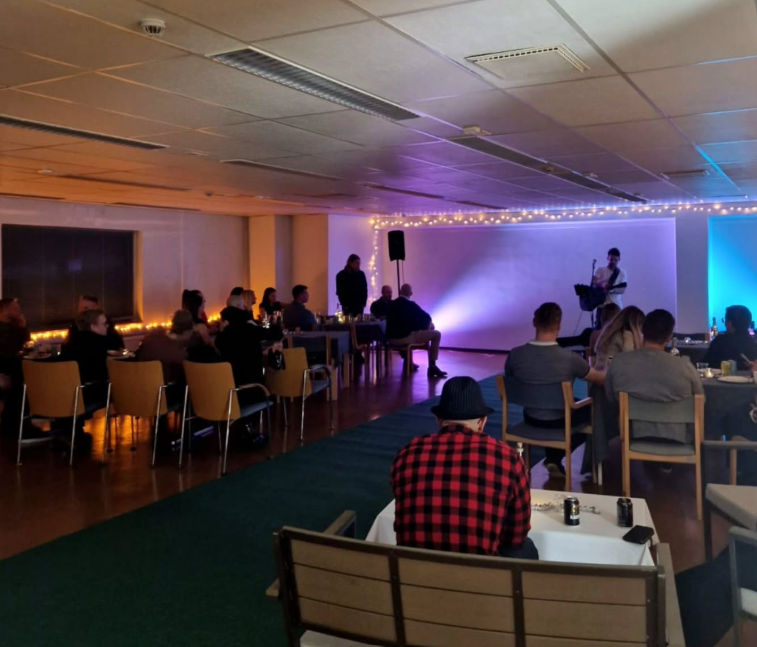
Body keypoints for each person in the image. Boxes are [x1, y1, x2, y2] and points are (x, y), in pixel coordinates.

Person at [391, 377, 536, 559]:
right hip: (478, 573)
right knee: (527, 548)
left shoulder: (407, 453)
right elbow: (516, 536)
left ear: (438, 420)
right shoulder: (508, 458)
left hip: (413, 570)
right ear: (482, 423)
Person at [505, 302, 605, 477]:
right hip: (560, 421)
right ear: (559, 326)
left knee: (560, 404)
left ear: (534, 322)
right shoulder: (570, 358)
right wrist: (611, 367)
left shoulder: (515, 355)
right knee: (594, 410)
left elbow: (510, 378)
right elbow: (598, 379)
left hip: (530, 418)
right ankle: (555, 457)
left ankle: (553, 458)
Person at [606, 309, 704, 444]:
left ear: (642, 330)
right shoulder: (685, 367)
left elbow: (611, 398)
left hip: (632, 439)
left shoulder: (618, 363)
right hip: (678, 440)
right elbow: (700, 401)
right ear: (669, 336)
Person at [59, 308, 112, 453]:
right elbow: (101, 374)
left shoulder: (68, 343)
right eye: (104, 324)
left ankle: (67, 430)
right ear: (93, 327)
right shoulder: (99, 344)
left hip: (64, 393)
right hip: (86, 394)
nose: (107, 326)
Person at [216, 296, 283, 388]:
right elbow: (276, 333)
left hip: (228, 386)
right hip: (252, 386)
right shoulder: (249, 329)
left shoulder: (220, 337)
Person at [386, 284, 447, 378]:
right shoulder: (411, 305)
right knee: (437, 334)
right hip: (404, 338)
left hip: (391, 339)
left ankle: (408, 361)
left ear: (400, 292)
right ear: (411, 293)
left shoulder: (391, 304)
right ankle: (432, 366)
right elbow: (427, 318)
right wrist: (429, 326)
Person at [0, 298, 36, 438]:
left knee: (21, 376)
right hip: (4, 371)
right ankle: (21, 427)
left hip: (13, 367)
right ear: (5, 309)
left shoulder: (15, 327)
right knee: (18, 382)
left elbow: (27, 345)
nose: (19, 310)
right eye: (15, 307)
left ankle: (16, 426)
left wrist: (23, 327)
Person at [135, 310, 195, 387]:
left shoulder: (152, 335)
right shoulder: (178, 355)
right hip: (162, 390)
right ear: (186, 332)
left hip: (138, 385)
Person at [704, 305, 757, 370]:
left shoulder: (720, 341)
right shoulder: (752, 342)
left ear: (729, 323)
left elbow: (705, 364)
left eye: (725, 320)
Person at [593, 305, 645, 370]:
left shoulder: (609, 333)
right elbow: (629, 359)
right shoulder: (626, 336)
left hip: (599, 372)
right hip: (609, 373)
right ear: (636, 323)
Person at [592, 248, 627, 327]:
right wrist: (600, 285)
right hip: (602, 305)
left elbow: (622, 289)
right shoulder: (600, 269)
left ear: (619, 259)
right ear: (607, 258)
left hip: (616, 306)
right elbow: (594, 283)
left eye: (615, 260)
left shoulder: (622, 273)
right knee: (599, 328)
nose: (613, 262)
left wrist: (611, 290)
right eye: (611, 259)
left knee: (615, 329)